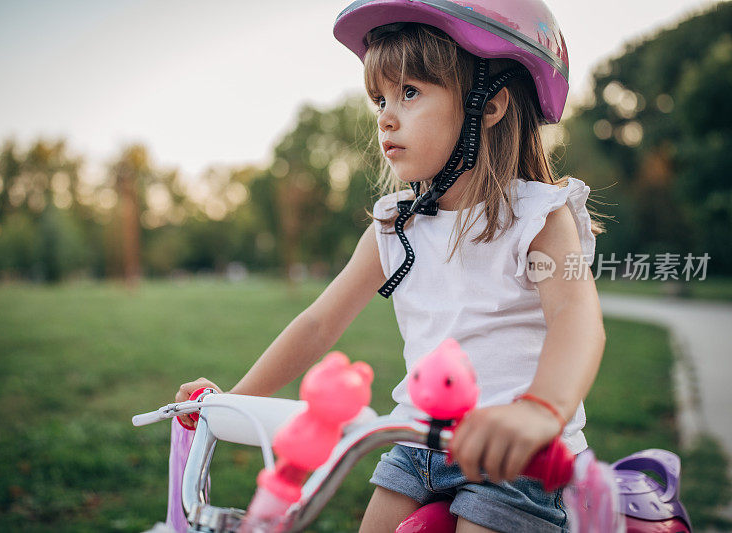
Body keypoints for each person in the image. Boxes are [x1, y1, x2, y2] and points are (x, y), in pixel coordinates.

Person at [176, 1, 606, 531]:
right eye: (379, 97)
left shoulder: (538, 217)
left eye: (410, 92)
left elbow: (575, 318)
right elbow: (318, 323)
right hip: (417, 444)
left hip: (513, 455)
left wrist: (541, 410)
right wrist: (233, 402)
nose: (385, 115)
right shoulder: (394, 224)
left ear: (488, 106)